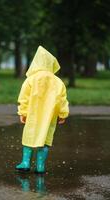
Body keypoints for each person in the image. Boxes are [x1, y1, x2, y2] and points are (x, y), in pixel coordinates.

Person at [16, 45, 69, 174]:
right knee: (45, 139)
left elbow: (24, 97)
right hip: (50, 117)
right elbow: (62, 99)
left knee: (29, 137)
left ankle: (25, 162)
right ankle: (40, 166)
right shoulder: (58, 82)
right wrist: (62, 114)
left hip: (33, 115)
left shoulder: (31, 80)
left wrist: (23, 112)